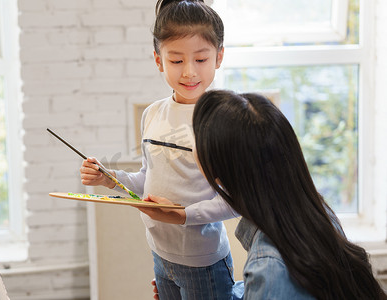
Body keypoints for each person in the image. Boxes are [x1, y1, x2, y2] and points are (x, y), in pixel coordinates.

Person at [80, 1, 240, 299]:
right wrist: (108, 178)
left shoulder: (224, 120)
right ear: (158, 60)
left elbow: (236, 201)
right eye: (176, 61)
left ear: (219, 57)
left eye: (201, 59)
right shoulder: (153, 114)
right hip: (160, 254)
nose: (189, 72)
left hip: (204, 262)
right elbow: (147, 181)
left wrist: (181, 215)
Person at [186, 90, 385, 299]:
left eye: (196, 137)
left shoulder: (270, 270)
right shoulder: (313, 211)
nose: (192, 143)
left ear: (221, 172)